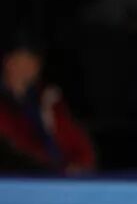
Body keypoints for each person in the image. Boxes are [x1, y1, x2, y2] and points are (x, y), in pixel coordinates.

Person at [0, 39, 96, 174]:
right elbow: (16, 151)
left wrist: (79, 164)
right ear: (7, 62)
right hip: (19, 177)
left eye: (33, 62)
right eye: (21, 61)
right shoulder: (4, 107)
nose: (27, 69)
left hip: (57, 179)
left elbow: (80, 147)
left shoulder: (49, 100)